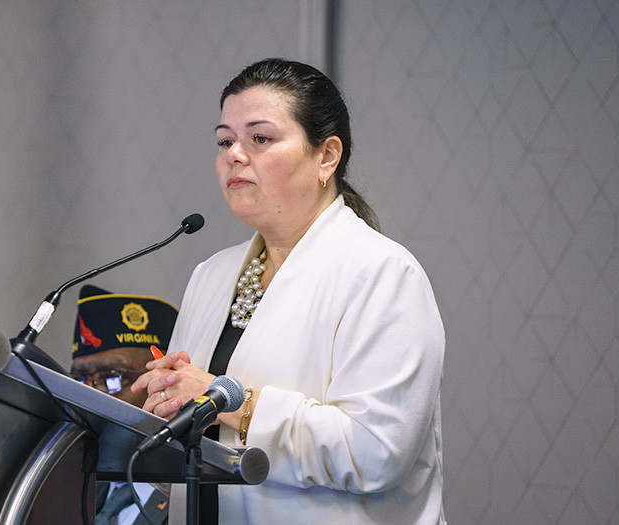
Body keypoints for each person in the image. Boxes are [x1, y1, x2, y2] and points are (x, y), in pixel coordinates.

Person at [131, 58, 446, 524]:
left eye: (260, 138)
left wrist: (224, 401)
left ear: (326, 156)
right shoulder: (212, 275)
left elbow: (375, 452)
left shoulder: (382, 273)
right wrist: (167, 407)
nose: (235, 154)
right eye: (224, 141)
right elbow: (183, 454)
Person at [70, 284, 178, 525]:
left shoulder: (196, 494)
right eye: (79, 379)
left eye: (111, 377)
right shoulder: (71, 490)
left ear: (164, 381)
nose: (91, 395)